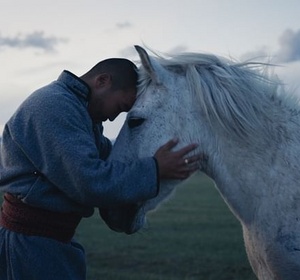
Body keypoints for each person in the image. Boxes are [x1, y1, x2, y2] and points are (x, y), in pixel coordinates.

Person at [0, 58, 200, 279]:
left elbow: (110, 158)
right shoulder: (54, 106)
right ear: (103, 81)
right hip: (28, 248)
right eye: (121, 107)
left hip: (48, 244)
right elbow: (89, 182)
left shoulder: (80, 112)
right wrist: (155, 169)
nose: (114, 117)